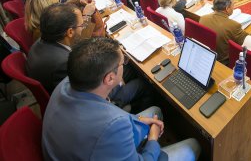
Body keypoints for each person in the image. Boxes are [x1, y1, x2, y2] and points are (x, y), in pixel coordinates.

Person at [42, 37, 201, 160]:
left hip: (85, 146)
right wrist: (153, 140)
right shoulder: (112, 126)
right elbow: (112, 124)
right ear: (110, 78)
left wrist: (137, 119)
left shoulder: (66, 83)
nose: (124, 64)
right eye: (122, 62)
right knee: (193, 146)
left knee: (155, 112)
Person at [199, 0, 251, 65]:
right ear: (227, 8)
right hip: (223, 63)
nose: (233, 7)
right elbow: (249, 40)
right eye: (233, 5)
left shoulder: (203, 18)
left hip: (206, 56)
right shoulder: (234, 25)